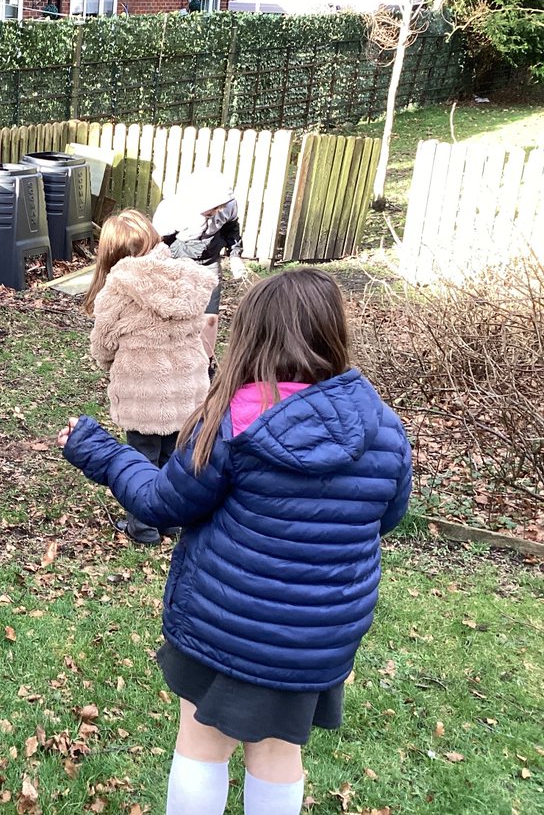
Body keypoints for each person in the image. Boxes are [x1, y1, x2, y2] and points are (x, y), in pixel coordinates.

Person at [57, 268, 412, 815]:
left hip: (227, 624)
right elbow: (385, 517)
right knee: (277, 753)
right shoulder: (384, 427)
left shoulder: (233, 420)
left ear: (253, 335)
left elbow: (161, 502)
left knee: (203, 743)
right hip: (317, 637)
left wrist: (99, 451)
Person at [83, 210, 217, 544]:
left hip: (143, 390)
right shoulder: (187, 276)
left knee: (141, 459)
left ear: (111, 252)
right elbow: (201, 325)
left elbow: (104, 340)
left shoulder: (118, 286)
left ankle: (143, 528)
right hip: (188, 386)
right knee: (175, 457)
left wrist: (106, 360)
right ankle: (171, 522)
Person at [151, 169, 246, 363]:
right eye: (214, 207)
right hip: (178, 261)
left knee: (210, 317)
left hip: (209, 262)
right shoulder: (173, 210)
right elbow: (159, 242)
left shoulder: (228, 207)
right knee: (176, 314)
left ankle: (206, 363)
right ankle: (171, 359)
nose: (218, 211)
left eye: (221, 206)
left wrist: (235, 255)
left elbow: (231, 228)